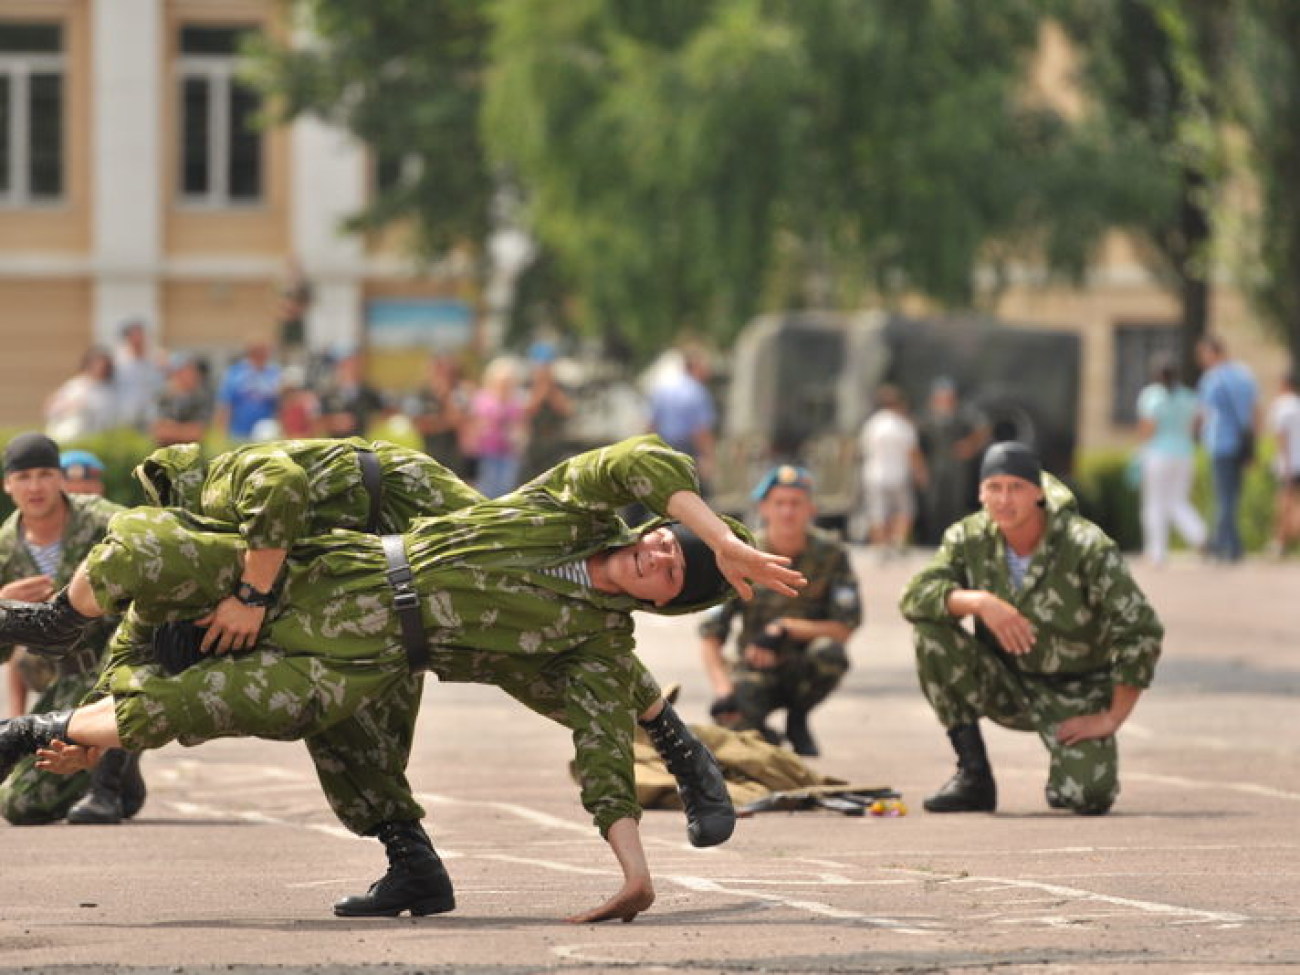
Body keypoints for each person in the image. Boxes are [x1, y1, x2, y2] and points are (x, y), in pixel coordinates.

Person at [0, 435, 804, 922]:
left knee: (282, 700)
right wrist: (93, 730)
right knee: (163, 593)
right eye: (667, 542)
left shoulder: (572, 543)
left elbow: (639, 466)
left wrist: (635, 874)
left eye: (675, 571)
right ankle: (53, 666)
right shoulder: (214, 515)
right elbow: (145, 625)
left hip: (387, 584)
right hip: (344, 567)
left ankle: (669, 735)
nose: (662, 554)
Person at [899, 441, 1163, 816]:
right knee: (930, 632)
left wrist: (1111, 717)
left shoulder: (1085, 545)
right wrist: (980, 603)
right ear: (980, 493)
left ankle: (1066, 778)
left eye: (1016, 487)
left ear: (1038, 492)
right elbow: (914, 596)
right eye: (994, 488)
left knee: (1090, 796)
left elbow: (1141, 628)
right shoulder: (968, 537)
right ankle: (973, 776)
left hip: (1076, 690)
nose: (1004, 499)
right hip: (1004, 681)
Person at [0, 432, 144, 826]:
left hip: (129, 662)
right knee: (21, 805)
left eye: (45, 473)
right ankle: (124, 776)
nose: (35, 486)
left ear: (60, 478)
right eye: (24, 476)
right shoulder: (4, 549)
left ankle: (106, 790)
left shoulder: (104, 520)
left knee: (123, 664)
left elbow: (154, 555)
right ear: (7, 485)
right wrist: (3, 602)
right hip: (66, 679)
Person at [699, 464, 861, 757]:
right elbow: (711, 635)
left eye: (796, 503)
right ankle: (762, 732)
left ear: (811, 509)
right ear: (764, 508)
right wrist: (724, 691)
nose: (788, 512)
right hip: (756, 667)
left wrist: (785, 627)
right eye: (779, 503)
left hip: (803, 666)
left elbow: (844, 627)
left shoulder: (831, 554)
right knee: (734, 726)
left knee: (831, 653)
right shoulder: (742, 554)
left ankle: (798, 719)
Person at [1136, 357, 1207, 566]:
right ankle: (1199, 535)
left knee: (1154, 503)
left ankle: (1156, 552)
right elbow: (1198, 422)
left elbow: (1147, 427)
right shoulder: (1188, 396)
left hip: (1158, 453)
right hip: (1184, 453)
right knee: (1177, 501)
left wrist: (1140, 448)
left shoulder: (1151, 395)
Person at [1195, 335, 1259, 563]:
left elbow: (1203, 413)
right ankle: (1233, 544)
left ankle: (1223, 545)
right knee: (1232, 497)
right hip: (1242, 444)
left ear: (1214, 353)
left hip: (1221, 443)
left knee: (1223, 497)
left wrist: (1197, 437)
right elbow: (1254, 413)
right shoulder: (1245, 375)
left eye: (1204, 354)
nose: (1202, 360)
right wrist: (1253, 447)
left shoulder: (1212, 379)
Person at [916, 377, 990, 543]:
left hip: (957, 469)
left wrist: (970, 445)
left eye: (948, 398)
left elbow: (983, 429)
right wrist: (920, 470)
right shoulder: (927, 419)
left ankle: (954, 541)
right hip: (935, 468)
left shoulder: (963, 415)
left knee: (956, 504)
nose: (945, 402)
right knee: (933, 505)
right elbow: (917, 445)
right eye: (941, 398)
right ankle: (933, 540)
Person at [859, 384, 927, 558]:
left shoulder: (872, 424)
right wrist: (920, 473)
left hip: (874, 474)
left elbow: (864, 449)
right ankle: (898, 542)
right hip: (898, 475)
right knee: (905, 510)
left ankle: (880, 547)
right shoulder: (903, 425)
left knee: (878, 512)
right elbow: (913, 452)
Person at [647, 346, 717, 494]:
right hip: (687, 451)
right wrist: (708, 459)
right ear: (695, 366)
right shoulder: (697, 392)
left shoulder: (663, 388)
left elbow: (651, 424)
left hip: (664, 448)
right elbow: (701, 431)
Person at [465, 356, 527, 498]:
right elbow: (475, 425)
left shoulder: (516, 401)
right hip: (486, 452)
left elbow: (520, 426)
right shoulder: (482, 399)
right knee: (486, 487)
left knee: (506, 487)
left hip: (508, 452)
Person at [405, 352, 469, 477]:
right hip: (428, 456)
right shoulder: (421, 394)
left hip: (454, 459)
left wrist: (445, 397)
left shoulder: (457, 393)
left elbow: (460, 421)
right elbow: (420, 425)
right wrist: (444, 422)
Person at [520, 343, 575, 481]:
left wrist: (552, 390)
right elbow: (527, 411)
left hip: (554, 442)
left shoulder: (559, 387)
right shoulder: (527, 385)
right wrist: (540, 390)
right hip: (534, 442)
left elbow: (566, 411)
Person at [212, 335, 282, 442]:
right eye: (257, 350)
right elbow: (225, 405)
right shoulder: (235, 373)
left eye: (264, 350)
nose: (261, 354)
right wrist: (222, 434)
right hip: (238, 433)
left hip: (266, 432)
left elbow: (282, 405)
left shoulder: (275, 373)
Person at [44, 346, 119, 442]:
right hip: (70, 436)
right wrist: (71, 406)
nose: (100, 368)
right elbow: (51, 409)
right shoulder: (76, 385)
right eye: (97, 364)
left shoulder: (109, 389)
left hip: (99, 437)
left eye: (103, 365)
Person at [316, 351, 389, 438]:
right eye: (348, 366)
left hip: (362, 442)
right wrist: (335, 422)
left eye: (355, 366)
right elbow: (318, 422)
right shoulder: (329, 395)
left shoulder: (369, 393)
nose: (352, 370)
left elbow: (383, 413)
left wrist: (369, 422)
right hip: (336, 444)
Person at [1266, 370, 1300, 557]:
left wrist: (1284, 463)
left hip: (1289, 463)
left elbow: (1281, 437)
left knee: (1284, 505)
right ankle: (1281, 542)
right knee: (1292, 504)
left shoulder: (1281, 406)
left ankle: (1279, 543)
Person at [112, 318, 166, 434]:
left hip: (151, 411)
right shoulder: (119, 360)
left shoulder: (155, 358)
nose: (138, 339)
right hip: (126, 411)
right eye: (134, 336)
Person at [152, 354, 214, 447]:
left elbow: (197, 433)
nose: (189, 376)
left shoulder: (202, 399)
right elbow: (159, 432)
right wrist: (185, 430)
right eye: (184, 371)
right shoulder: (163, 397)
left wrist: (172, 429)